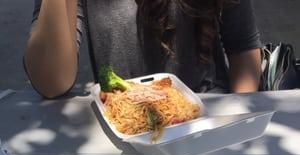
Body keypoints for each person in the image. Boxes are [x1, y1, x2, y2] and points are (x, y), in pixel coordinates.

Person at [24, 0, 262, 99]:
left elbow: (243, 45)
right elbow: (52, 82)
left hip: (207, 120)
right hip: (125, 128)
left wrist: (237, 120)